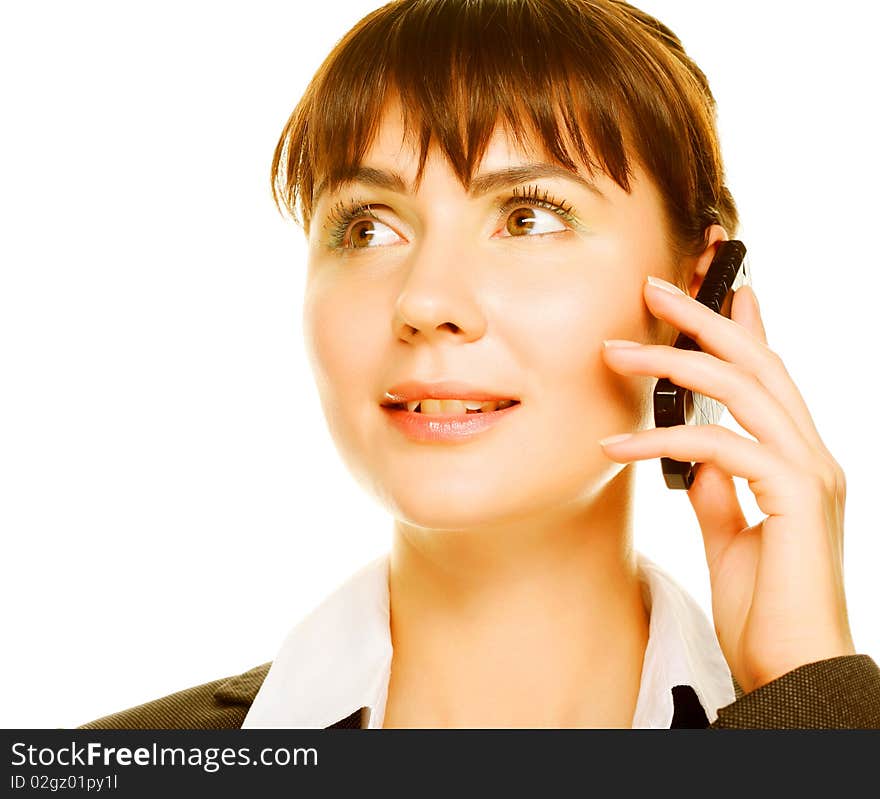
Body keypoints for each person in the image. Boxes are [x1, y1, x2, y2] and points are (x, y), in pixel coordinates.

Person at [79, 0, 880, 729]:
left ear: (699, 292)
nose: (425, 301)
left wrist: (808, 691)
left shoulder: (820, 728)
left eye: (529, 216)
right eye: (367, 226)